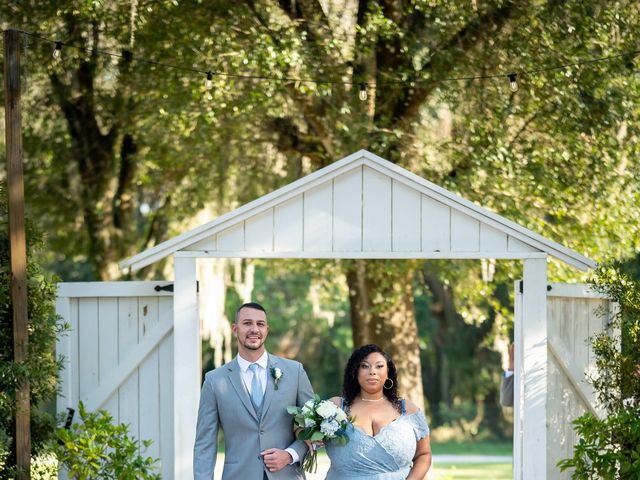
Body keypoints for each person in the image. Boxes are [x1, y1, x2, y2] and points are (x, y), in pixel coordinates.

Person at [193, 302, 315, 479]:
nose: (254, 329)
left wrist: (290, 455)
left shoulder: (294, 372)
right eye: (247, 323)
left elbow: (314, 427)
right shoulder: (214, 380)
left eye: (260, 324)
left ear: (267, 329)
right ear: (235, 329)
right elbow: (205, 444)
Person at [324, 344, 432, 479]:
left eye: (379, 366)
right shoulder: (335, 407)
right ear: (355, 372)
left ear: (388, 373)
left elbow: (424, 455)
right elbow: (303, 428)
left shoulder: (408, 410)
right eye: (365, 366)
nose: (372, 371)